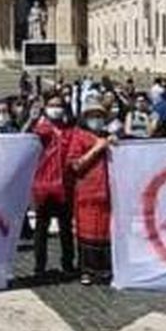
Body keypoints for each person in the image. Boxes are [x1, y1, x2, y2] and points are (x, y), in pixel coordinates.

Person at [66, 103, 114, 285]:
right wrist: (96, 149)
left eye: (99, 116)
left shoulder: (108, 137)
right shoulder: (79, 137)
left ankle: (105, 268)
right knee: (88, 231)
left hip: (108, 193)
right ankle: (87, 270)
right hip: (88, 191)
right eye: (93, 116)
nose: (96, 120)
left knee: (105, 232)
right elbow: (75, 165)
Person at [29, 95, 75, 283]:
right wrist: (31, 119)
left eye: (59, 105)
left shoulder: (70, 131)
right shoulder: (39, 130)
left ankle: (68, 264)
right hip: (44, 186)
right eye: (52, 105)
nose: (56, 108)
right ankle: (39, 266)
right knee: (41, 229)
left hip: (64, 186)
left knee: (66, 228)